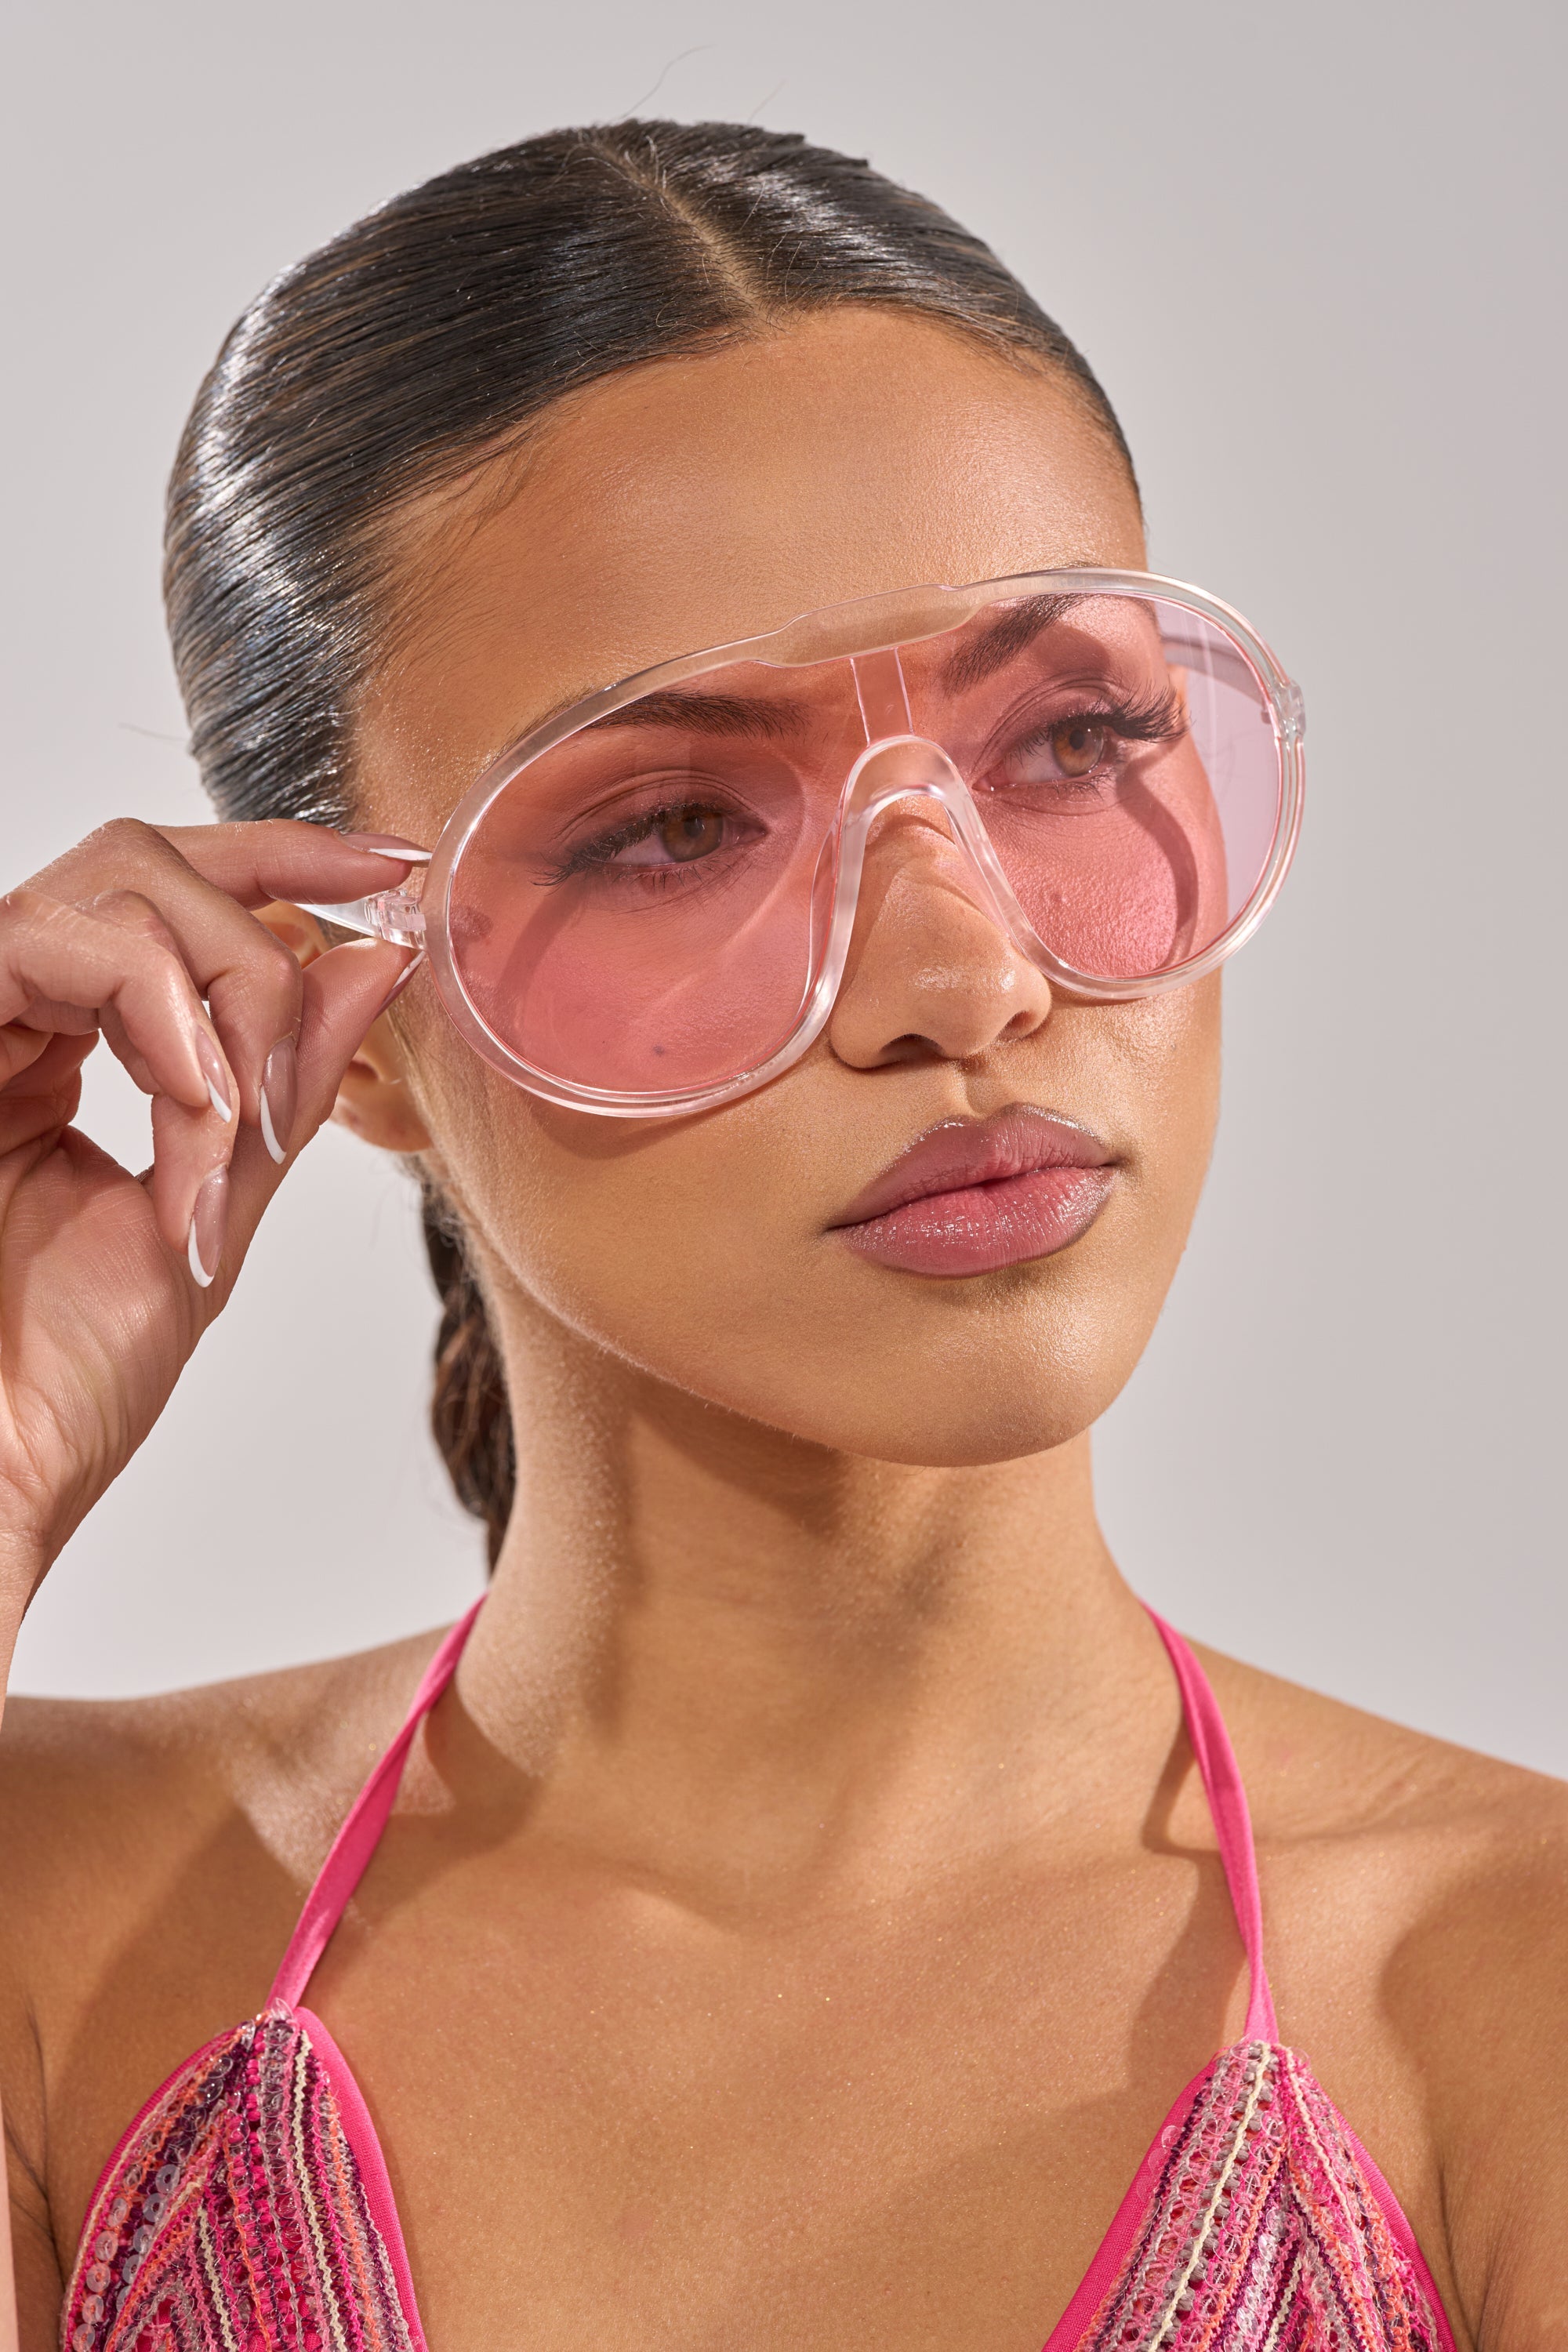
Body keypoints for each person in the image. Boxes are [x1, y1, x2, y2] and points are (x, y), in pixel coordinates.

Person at [0, 119, 1559, 2352]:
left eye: (1078, 736)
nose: (969, 977)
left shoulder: (1508, 1993)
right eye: (669, 827)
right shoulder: (49, 1933)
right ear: (343, 1019)